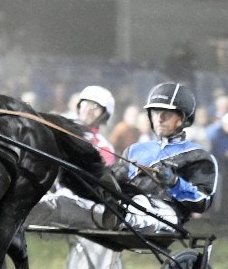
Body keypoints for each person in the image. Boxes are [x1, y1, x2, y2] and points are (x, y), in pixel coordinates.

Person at [28, 82, 217, 234]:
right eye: (156, 112)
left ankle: (117, 216)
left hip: (165, 214)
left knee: (138, 206)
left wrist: (174, 182)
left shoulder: (199, 156)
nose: (159, 118)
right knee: (57, 202)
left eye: (167, 114)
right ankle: (9, 212)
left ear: (183, 119)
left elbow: (203, 201)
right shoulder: (135, 150)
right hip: (118, 206)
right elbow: (113, 181)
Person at [73, 84, 116, 165]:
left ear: (104, 115)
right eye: (85, 103)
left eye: (95, 106)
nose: (88, 109)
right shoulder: (61, 129)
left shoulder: (104, 147)